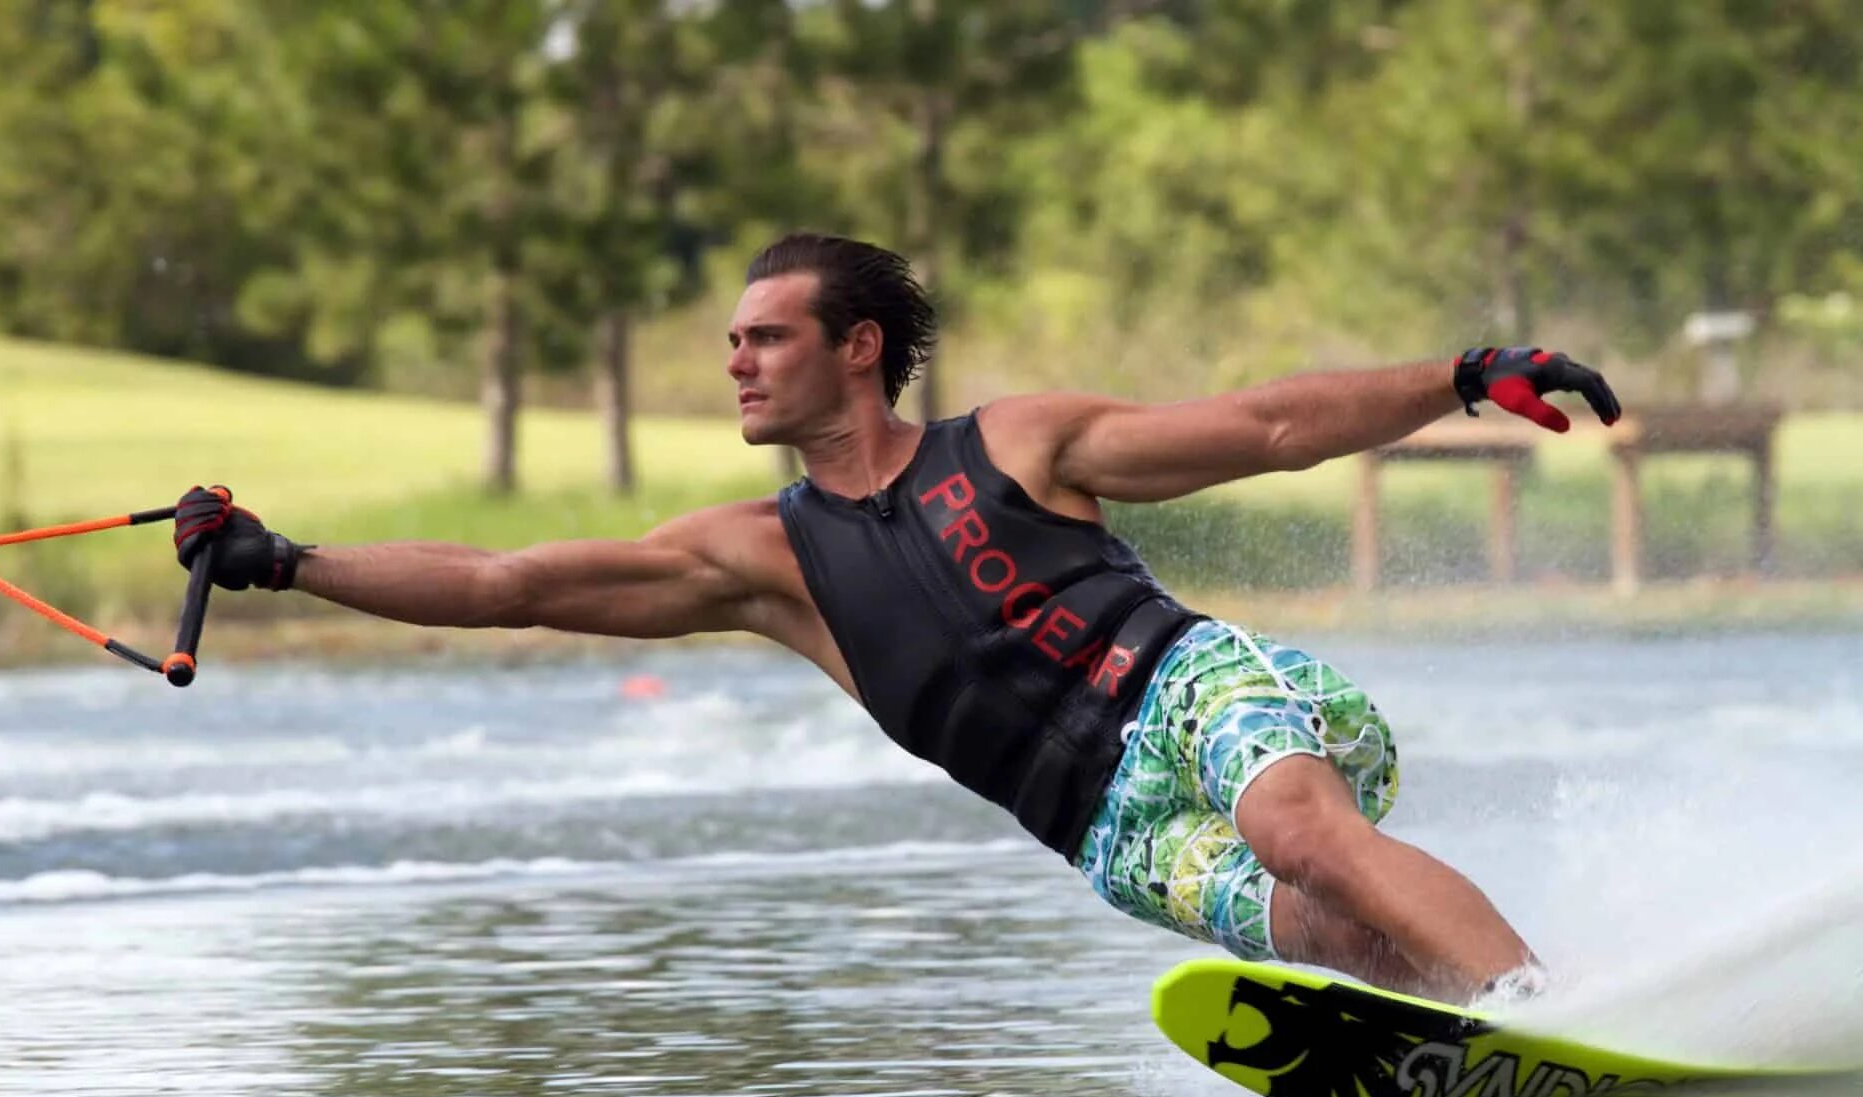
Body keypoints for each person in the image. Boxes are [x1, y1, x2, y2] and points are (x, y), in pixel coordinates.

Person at [173, 233, 1620, 1004]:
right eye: (732, 339)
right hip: (1103, 823)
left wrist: (1461, 372)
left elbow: (1267, 424)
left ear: (856, 348)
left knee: (1299, 836)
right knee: (1316, 923)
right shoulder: (759, 564)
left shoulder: (1019, 447)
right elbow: (505, 585)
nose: (734, 359)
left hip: (1201, 690)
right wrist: (288, 559)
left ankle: (1546, 1011)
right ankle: (1482, 1042)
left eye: (766, 336)